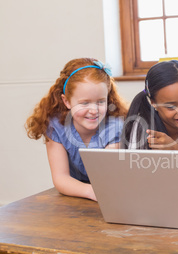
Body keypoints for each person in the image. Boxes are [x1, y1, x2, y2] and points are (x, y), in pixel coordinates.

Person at [25, 58, 128, 201]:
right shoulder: (56, 127)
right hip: (80, 196)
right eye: (84, 103)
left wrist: (98, 192)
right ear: (66, 101)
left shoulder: (115, 127)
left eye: (100, 101)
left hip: (113, 195)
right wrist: (91, 191)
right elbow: (61, 178)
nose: (93, 110)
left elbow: (107, 178)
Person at [121, 60, 178, 151]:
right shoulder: (142, 127)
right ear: (154, 103)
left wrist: (175, 150)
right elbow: (135, 164)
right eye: (171, 107)